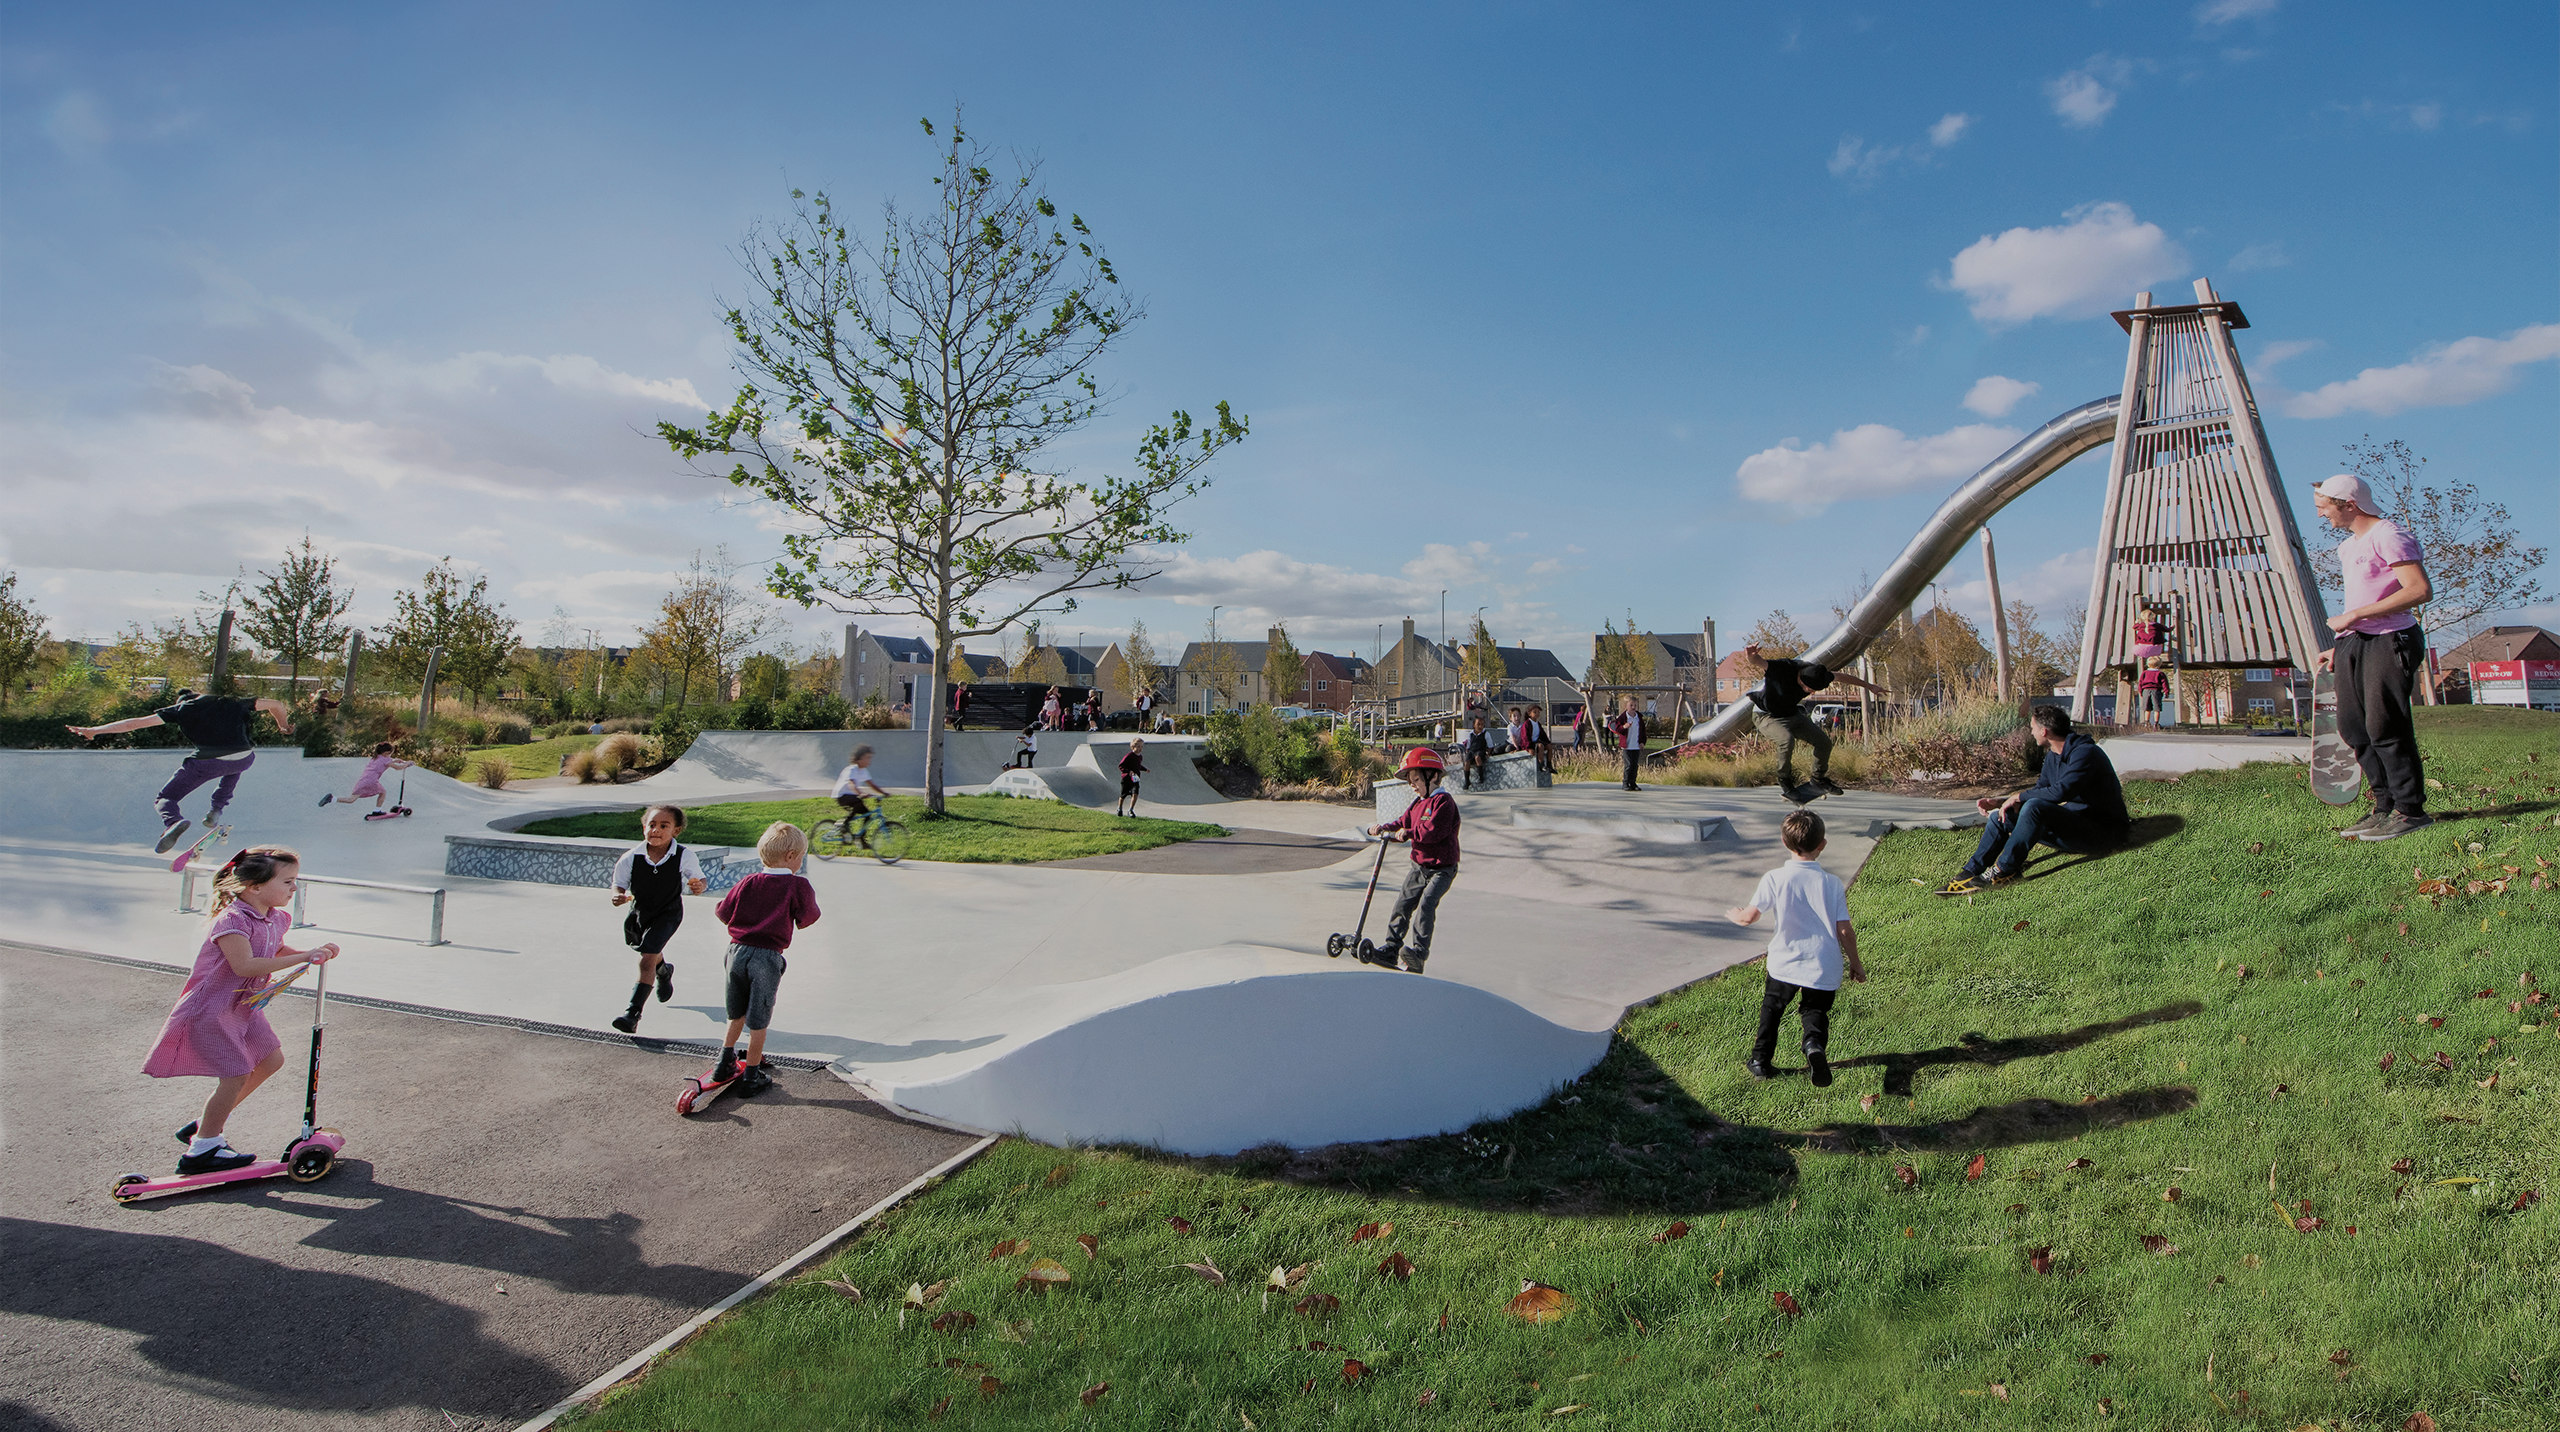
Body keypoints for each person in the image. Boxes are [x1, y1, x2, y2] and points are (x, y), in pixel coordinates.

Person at [143, 846, 340, 1174]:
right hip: (211, 1009)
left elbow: (275, 948)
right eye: (288, 881)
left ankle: (205, 1124)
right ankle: (203, 1150)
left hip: (243, 1007)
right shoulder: (231, 920)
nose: (295, 888)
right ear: (256, 887)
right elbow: (245, 964)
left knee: (270, 1060)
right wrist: (304, 958)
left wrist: (311, 951)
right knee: (235, 1074)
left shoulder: (274, 917)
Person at [2310, 472, 2435, 842]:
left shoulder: (2390, 535)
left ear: (2349, 504)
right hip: (2354, 641)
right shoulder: (2347, 547)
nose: (2320, 516)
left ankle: (2410, 810)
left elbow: (2419, 589)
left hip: (2391, 638)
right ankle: (2383, 807)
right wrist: (2343, 641)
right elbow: (2362, 597)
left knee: (2385, 726)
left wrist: (2358, 616)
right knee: (2354, 729)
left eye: (2323, 508)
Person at [1725, 810, 1864, 1085]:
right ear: (1822, 844)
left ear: (1783, 841)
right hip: (1823, 963)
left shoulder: (1775, 878)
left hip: (1785, 962)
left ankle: (1760, 1061)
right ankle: (1813, 1045)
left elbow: (1749, 917)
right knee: (1815, 1011)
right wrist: (1856, 964)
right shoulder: (1832, 883)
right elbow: (1844, 929)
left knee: (1772, 1009)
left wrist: (1734, 914)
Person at [1933, 706, 2130, 894]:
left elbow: (2062, 792)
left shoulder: (2085, 753)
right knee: (2002, 816)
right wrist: (2002, 802)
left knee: (2035, 806)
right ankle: (1970, 872)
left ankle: (2005, 871)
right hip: (2078, 825)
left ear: (2044, 731)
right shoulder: (2054, 755)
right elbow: (2041, 790)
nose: (2031, 732)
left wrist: (2018, 796)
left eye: (2032, 728)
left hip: (2105, 834)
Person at [70, 689, 295, 852]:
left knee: (165, 797)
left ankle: (173, 822)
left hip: (207, 762)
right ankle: (216, 809)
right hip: (245, 758)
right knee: (233, 767)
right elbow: (276, 704)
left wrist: (94, 731)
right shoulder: (233, 701)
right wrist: (283, 726)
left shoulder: (180, 709)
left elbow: (134, 723)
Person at [708, 823, 821, 1095]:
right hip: (767, 957)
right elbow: (808, 918)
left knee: (736, 1012)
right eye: (802, 857)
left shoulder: (747, 881)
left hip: (735, 951)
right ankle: (751, 1075)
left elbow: (723, 912)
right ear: (791, 855)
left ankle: (723, 1062)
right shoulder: (797, 885)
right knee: (759, 1019)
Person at [1742, 645, 1886, 804]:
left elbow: (1842, 677)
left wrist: (1870, 686)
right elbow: (1759, 662)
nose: (1809, 692)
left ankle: (1818, 778)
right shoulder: (1784, 667)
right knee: (1786, 740)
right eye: (1807, 688)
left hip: (1792, 714)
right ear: (1799, 677)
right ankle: (1785, 780)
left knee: (1824, 742)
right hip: (1766, 715)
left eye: (1812, 690)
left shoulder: (1819, 674)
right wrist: (1751, 656)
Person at [608, 805, 708, 1034]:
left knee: (646, 959)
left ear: (676, 830)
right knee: (650, 950)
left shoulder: (683, 855)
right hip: (640, 913)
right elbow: (618, 883)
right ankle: (663, 971)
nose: (656, 830)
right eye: (652, 825)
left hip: (668, 913)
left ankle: (632, 1014)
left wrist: (698, 886)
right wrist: (617, 895)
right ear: (644, 827)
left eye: (664, 826)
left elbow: (700, 880)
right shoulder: (632, 857)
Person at [1360, 748, 1459, 974]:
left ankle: (1418, 955)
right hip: (1419, 866)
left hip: (1442, 869)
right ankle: (1391, 949)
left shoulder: (1444, 803)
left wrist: (1409, 833)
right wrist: (1384, 828)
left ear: (1432, 776)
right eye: (1410, 780)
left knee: (1426, 905)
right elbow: (1402, 821)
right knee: (1403, 904)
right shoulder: (1417, 804)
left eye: (1416, 779)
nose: (1412, 784)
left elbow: (1432, 831)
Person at [320, 741, 414, 818]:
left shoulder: (375, 757)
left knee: (351, 799)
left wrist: (394, 760)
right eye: (390, 754)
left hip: (363, 780)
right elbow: (397, 768)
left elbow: (385, 761)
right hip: (372, 781)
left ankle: (332, 799)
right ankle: (377, 811)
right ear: (386, 753)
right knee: (382, 793)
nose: (390, 756)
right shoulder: (386, 760)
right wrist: (407, 764)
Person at [829, 745, 890, 846]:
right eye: (867, 757)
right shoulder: (852, 769)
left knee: (867, 814)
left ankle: (860, 838)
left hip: (851, 796)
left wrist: (883, 793)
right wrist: (860, 793)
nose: (869, 760)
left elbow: (872, 784)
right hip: (842, 795)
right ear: (859, 758)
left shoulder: (863, 771)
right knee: (859, 803)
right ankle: (844, 825)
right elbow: (851, 783)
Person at [1611, 695, 1644, 791]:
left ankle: (1633, 783)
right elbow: (1617, 729)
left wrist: (1642, 742)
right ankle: (1625, 783)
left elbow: (1642, 732)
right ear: (1626, 706)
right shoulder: (1622, 718)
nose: (1633, 707)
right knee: (1628, 765)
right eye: (1631, 705)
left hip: (1636, 746)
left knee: (1635, 765)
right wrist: (1624, 727)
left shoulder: (1639, 717)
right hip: (1627, 746)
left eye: (1635, 705)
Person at [1116, 737, 1148, 817]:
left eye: (1141, 747)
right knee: (1123, 795)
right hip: (1126, 778)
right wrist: (1128, 771)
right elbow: (1121, 766)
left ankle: (1131, 809)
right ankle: (1119, 808)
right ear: (1133, 747)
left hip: (1135, 779)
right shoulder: (1129, 756)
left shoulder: (1140, 757)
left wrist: (1145, 769)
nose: (1140, 749)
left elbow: (1138, 766)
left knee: (1135, 793)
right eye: (1138, 747)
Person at [1460, 715, 1491, 790]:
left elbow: (1490, 746)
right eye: (1478, 724)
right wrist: (1467, 751)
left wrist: (1488, 754)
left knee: (1478, 757)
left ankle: (1481, 776)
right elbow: (1468, 745)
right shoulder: (1471, 734)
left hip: (1481, 750)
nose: (1480, 726)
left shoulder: (1486, 734)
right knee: (1467, 762)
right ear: (1474, 725)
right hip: (1472, 750)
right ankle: (1467, 781)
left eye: (1482, 724)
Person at [2136, 658, 2169, 727]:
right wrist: (2166, 692)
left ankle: (2146, 722)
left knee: (2147, 708)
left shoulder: (2145, 673)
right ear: (2159, 665)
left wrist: (2140, 691)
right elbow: (2164, 683)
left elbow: (2140, 682)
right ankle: (2156, 723)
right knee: (2157, 708)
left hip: (2146, 690)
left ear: (2148, 664)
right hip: (2156, 691)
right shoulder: (2160, 673)